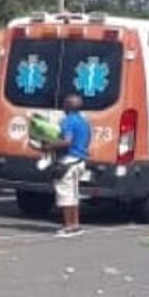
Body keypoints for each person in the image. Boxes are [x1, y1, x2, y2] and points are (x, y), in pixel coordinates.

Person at [49, 93, 91, 237]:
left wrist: (49, 145)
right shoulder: (84, 122)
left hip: (68, 160)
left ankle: (68, 227)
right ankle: (76, 225)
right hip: (80, 160)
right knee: (74, 194)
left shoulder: (67, 121)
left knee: (65, 194)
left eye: (65, 103)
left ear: (67, 106)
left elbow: (67, 141)